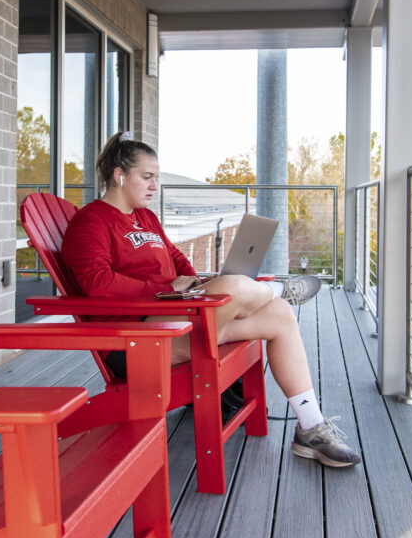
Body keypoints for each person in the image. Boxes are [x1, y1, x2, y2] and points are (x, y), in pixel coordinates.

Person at [61, 132, 361, 468]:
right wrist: (166, 289)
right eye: (147, 177)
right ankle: (280, 289)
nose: (154, 186)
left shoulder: (144, 217)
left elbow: (175, 258)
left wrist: (198, 281)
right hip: (136, 339)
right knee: (240, 288)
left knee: (279, 315)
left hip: (176, 317)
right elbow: (95, 283)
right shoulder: (91, 222)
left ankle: (311, 428)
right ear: (119, 175)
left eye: (156, 178)